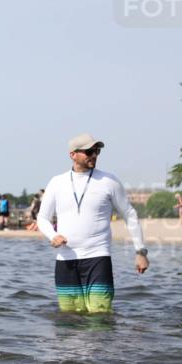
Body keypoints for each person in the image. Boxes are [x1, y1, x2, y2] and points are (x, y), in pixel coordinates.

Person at [36, 133, 148, 313]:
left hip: (98, 258)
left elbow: (130, 214)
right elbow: (42, 218)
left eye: (97, 151)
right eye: (89, 151)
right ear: (73, 154)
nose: (94, 155)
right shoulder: (57, 182)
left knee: (100, 316)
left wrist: (141, 252)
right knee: (70, 318)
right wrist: (53, 236)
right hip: (66, 260)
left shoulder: (109, 181)